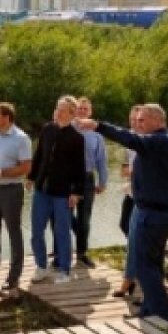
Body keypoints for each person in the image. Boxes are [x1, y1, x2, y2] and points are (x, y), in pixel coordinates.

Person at [78, 103, 168, 325]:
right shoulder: (161, 142)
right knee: (151, 265)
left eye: (142, 120)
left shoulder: (160, 141)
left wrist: (98, 126)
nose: (138, 124)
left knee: (145, 267)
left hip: (154, 214)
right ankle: (148, 311)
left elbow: (130, 139)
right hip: (155, 211)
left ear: (157, 121)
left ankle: (166, 321)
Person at [26, 96, 87, 283]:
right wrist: (30, 176)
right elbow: (38, 156)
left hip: (62, 193)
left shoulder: (77, 138)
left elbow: (79, 168)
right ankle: (41, 267)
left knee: (62, 231)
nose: (58, 112)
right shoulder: (47, 130)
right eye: (57, 108)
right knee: (37, 230)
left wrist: (76, 193)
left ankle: (64, 270)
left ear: (71, 113)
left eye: (62, 109)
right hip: (41, 190)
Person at [0, 102, 33, 291]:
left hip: (11, 190)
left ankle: (14, 275)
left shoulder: (21, 139)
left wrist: (0, 172)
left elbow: (26, 167)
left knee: (13, 232)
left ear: (6, 117)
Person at [71, 97, 108, 269]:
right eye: (79, 108)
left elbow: (101, 160)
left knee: (85, 219)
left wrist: (103, 181)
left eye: (86, 109)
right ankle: (59, 251)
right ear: (74, 110)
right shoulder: (67, 129)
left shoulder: (97, 136)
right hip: (68, 179)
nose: (82, 111)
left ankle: (81, 253)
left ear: (90, 112)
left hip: (87, 178)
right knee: (63, 215)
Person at [113, 105, 142, 298]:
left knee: (136, 237)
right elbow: (124, 171)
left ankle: (131, 280)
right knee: (124, 225)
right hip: (131, 192)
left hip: (145, 197)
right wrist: (132, 172)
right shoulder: (129, 142)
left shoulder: (150, 140)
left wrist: (135, 171)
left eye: (138, 120)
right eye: (131, 120)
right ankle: (133, 274)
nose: (134, 124)